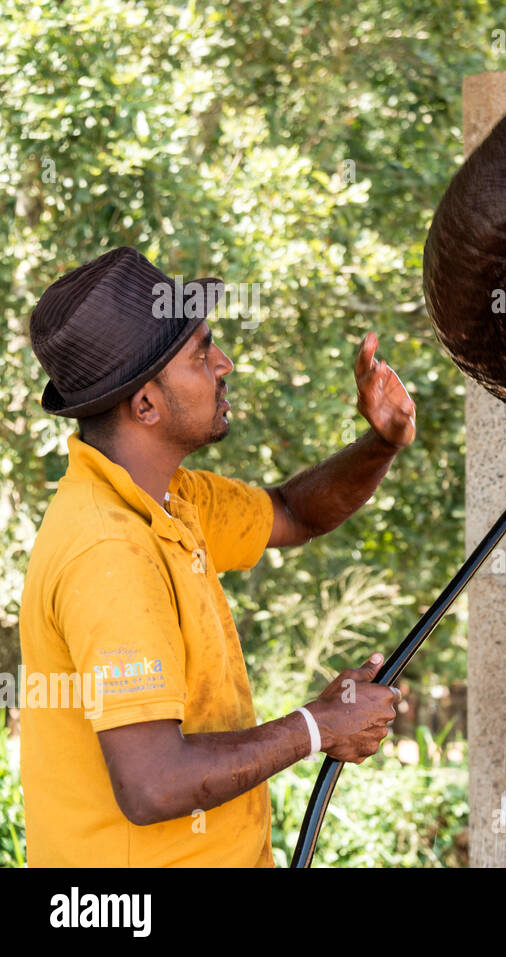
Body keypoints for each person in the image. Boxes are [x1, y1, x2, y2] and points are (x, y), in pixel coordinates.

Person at [19, 246, 416, 866]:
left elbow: (293, 512)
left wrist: (381, 442)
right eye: (201, 353)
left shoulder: (175, 499)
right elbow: (153, 784)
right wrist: (318, 725)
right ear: (145, 405)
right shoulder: (109, 551)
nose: (224, 363)